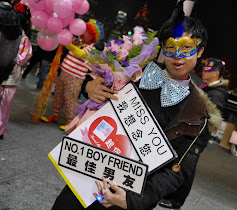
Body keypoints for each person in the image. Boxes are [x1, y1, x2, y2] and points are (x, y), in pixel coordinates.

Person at [51, 1, 222, 209]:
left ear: (200, 51)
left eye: (186, 47)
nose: (177, 55)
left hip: (126, 196)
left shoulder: (197, 113)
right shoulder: (133, 71)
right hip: (85, 176)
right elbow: (98, 90)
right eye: (171, 46)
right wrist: (90, 88)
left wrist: (133, 200)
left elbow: (178, 171)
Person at [40, 21, 103, 130]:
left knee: (70, 98)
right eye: (85, 30)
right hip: (64, 72)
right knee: (58, 94)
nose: (85, 33)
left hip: (76, 77)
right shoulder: (77, 41)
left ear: (92, 36)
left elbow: (80, 53)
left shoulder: (91, 49)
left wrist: (67, 43)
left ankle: (70, 121)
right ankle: (54, 115)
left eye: (88, 32)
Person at [0, 1, 32, 139]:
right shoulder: (24, 37)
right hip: (13, 74)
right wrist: (15, 60)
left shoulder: (3, 31)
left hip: (4, 69)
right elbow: (26, 54)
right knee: (5, 105)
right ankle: (1, 129)